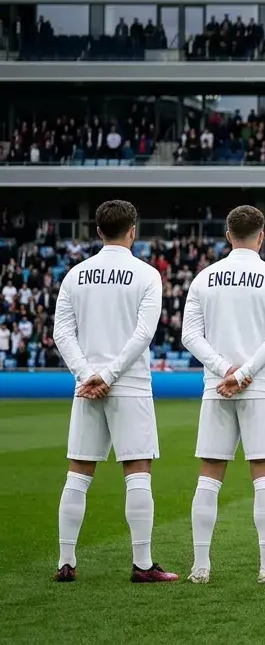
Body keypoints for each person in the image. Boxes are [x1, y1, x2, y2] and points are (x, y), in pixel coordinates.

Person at [52, 199, 177, 583]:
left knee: (78, 472)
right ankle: (142, 565)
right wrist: (108, 374)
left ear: (98, 231)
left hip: (86, 386)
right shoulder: (146, 274)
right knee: (137, 471)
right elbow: (144, 333)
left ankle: (66, 561)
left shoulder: (76, 274)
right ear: (133, 230)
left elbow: (61, 332)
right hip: (130, 385)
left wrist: (86, 374)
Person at [180, 205, 265, 585]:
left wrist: (223, 369)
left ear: (229, 235)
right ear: (261, 235)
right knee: (264, 475)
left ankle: (200, 566)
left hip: (217, 387)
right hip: (258, 387)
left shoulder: (204, 278)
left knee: (209, 475)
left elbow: (189, 336)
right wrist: (244, 373)